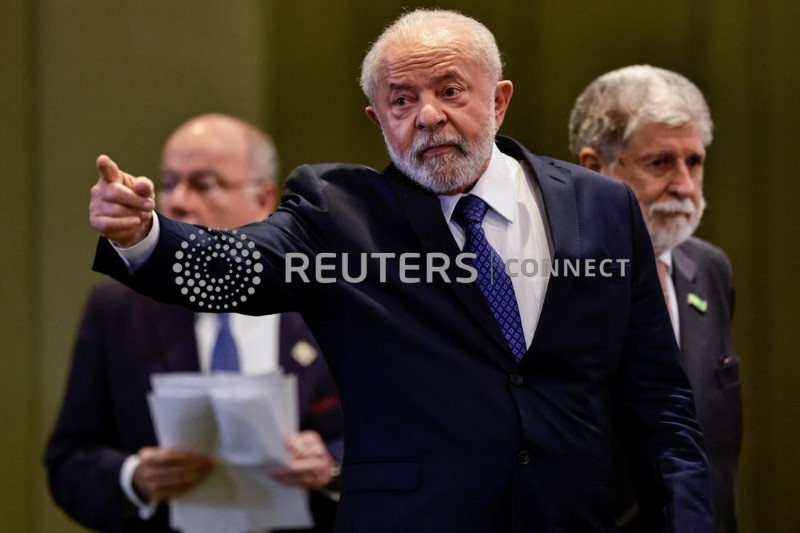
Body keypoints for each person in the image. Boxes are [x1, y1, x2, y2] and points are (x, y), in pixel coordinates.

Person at [87, 10, 714, 532]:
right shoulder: (339, 216)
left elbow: (659, 401)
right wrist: (145, 236)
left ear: (498, 101)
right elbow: (236, 268)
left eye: (449, 90)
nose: (429, 116)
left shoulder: (599, 207)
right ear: (377, 121)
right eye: (402, 100)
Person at [46, 114, 344, 532]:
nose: (179, 201)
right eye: (170, 184)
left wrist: (330, 466)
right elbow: (68, 462)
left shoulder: (322, 302)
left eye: (204, 185)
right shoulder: (117, 310)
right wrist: (134, 478)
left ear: (264, 199)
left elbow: (388, 440)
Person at [569, 65, 742, 532]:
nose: (684, 186)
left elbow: (715, 455)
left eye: (695, 161)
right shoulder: (550, 278)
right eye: (660, 163)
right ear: (593, 170)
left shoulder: (708, 270)